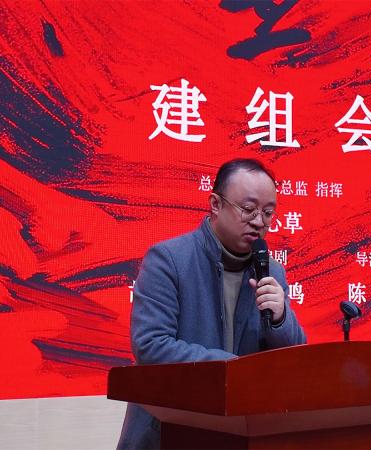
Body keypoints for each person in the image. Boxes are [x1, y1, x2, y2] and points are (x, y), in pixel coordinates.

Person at [116, 158, 307, 449]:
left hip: (241, 435)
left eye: (268, 213)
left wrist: (281, 319)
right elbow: (151, 346)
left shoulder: (271, 272)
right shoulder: (169, 260)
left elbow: (295, 361)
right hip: (170, 432)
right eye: (248, 209)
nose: (259, 222)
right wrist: (235, 370)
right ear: (215, 204)